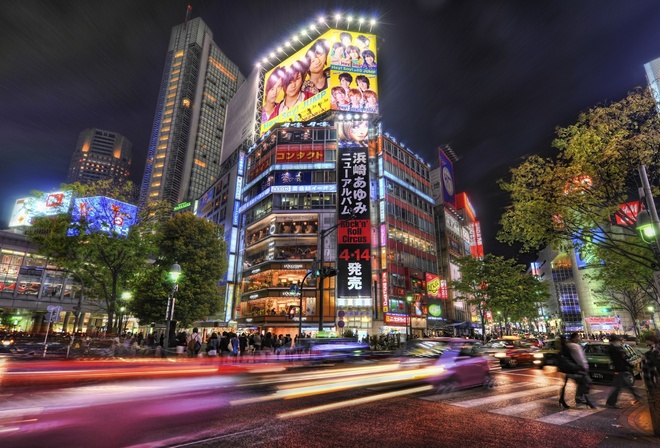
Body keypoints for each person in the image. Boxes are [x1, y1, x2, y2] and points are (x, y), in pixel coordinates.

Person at [558, 333, 594, 408]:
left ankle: (562, 399)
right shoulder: (575, 346)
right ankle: (579, 398)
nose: (579, 338)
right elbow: (580, 359)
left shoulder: (567, 345)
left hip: (567, 368)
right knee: (585, 381)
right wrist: (585, 367)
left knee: (566, 384)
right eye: (578, 337)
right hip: (574, 368)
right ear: (575, 338)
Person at [606, 335, 642, 408]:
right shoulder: (617, 349)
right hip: (621, 370)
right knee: (620, 387)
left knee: (626, 385)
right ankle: (610, 403)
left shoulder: (611, 348)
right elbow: (623, 359)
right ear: (616, 341)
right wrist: (632, 367)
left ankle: (638, 397)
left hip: (619, 370)